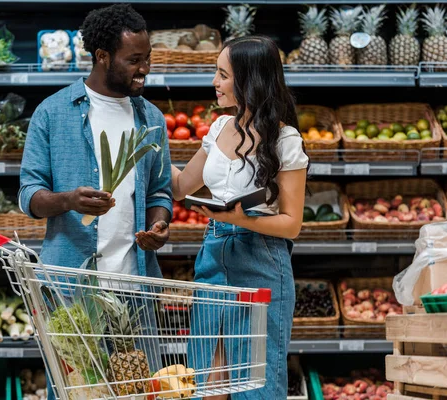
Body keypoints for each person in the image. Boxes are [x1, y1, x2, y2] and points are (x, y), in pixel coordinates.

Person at [18, 4, 172, 399]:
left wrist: (159, 223)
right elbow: (28, 196)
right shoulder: (53, 113)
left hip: (133, 287)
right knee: (77, 392)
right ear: (102, 56)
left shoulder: (150, 117)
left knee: (141, 391)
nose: (145, 69)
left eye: (148, 58)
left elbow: (159, 191)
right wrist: (68, 200)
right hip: (70, 287)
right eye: (134, 60)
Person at [171, 35, 309, 400]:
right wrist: (147, 143)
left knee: (256, 385)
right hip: (214, 255)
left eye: (222, 75)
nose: (214, 83)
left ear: (250, 80)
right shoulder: (218, 129)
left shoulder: (285, 140)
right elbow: (183, 185)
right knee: (207, 378)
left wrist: (240, 218)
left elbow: (292, 223)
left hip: (261, 258)